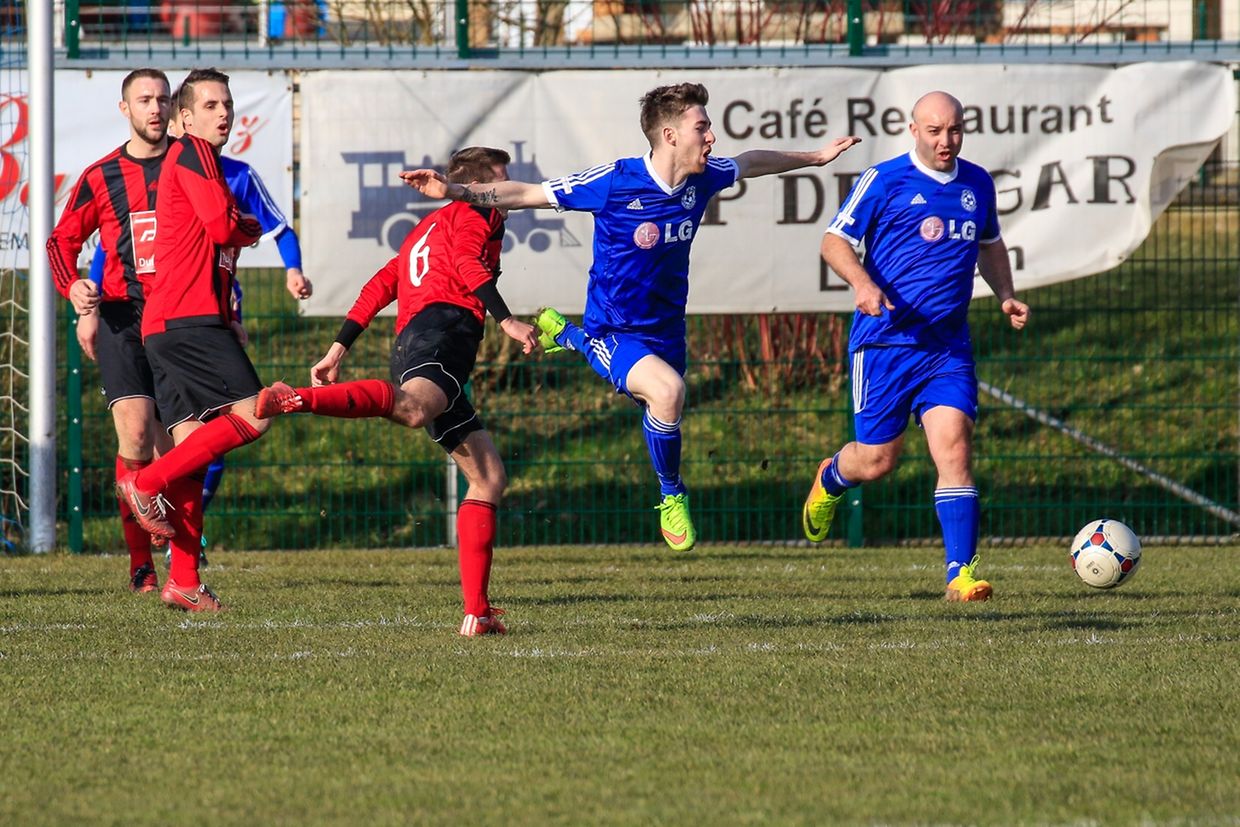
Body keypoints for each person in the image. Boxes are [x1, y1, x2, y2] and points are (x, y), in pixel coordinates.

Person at [401, 82, 860, 552]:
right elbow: (528, 192)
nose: (711, 137)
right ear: (670, 135)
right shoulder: (616, 182)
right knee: (668, 392)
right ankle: (670, 492)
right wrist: (454, 190)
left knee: (662, 405)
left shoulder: (704, 176)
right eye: (701, 127)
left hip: (667, 332)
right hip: (614, 328)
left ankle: (568, 336)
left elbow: (751, 162)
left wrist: (816, 157)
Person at [254, 146, 540, 636]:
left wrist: (338, 348)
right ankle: (296, 399)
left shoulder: (426, 228)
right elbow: (468, 265)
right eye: (501, 177)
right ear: (478, 184)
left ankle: (477, 613)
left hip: (414, 339)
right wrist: (507, 320)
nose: (507, 188)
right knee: (412, 411)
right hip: (444, 331)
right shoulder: (477, 212)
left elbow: (383, 282)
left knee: (488, 477)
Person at [802, 90, 1030, 602]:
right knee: (877, 461)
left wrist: (1007, 295)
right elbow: (833, 242)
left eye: (955, 130)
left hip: (947, 347)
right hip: (885, 344)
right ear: (913, 130)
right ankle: (832, 476)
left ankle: (959, 575)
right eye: (934, 131)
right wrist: (863, 284)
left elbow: (989, 245)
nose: (946, 140)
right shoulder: (884, 180)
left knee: (956, 448)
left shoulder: (977, 183)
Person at [87, 104, 311, 535]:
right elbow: (112, 242)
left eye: (227, 104)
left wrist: (292, 270)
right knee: (224, 420)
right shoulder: (161, 174)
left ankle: (183, 559)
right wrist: (89, 303)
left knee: (197, 437)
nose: (223, 113)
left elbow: (278, 228)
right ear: (182, 123)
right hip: (166, 316)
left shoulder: (237, 175)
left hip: (198, 313)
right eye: (210, 105)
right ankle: (146, 501)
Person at [46, 68, 174, 595]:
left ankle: (184, 553)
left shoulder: (192, 165)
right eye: (144, 99)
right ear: (125, 109)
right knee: (137, 435)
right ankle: (141, 565)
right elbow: (61, 241)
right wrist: (74, 288)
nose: (155, 108)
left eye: (163, 99)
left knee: (178, 444)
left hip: (181, 317)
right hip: (123, 316)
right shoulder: (101, 175)